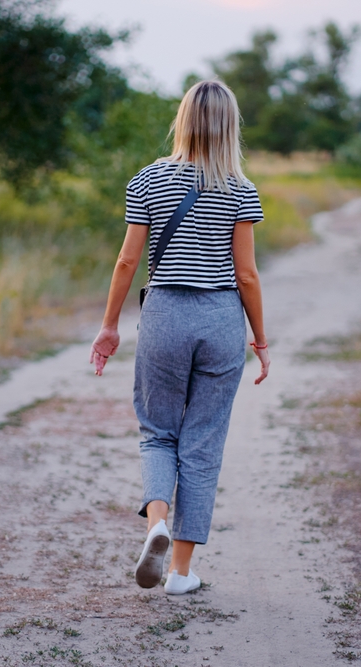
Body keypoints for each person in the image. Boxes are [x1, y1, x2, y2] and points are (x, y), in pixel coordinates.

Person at [89, 80, 270, 595]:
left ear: (183, 119)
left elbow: (127, 260)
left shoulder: (147, 180)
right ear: (230, 125)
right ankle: (182, 574)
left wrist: (109, 326)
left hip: (165, 313)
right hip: (219, 320)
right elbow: (248, 275)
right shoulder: (242, 188)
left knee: (157, 431)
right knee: (203, 442)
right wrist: (260, 339)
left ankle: (157, 525)